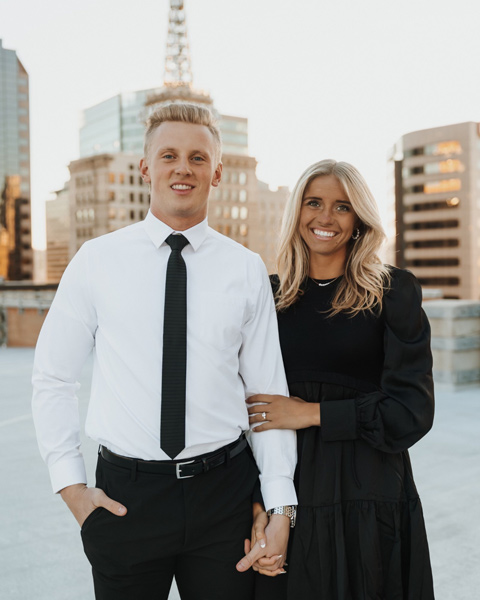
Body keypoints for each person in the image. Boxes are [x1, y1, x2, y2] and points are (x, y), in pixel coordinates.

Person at [32, 102, 297, 600]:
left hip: (225, 496)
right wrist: (72, 490)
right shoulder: (97, 261)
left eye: (198, 158)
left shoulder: (245, 270)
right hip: (126, 500)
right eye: (169, 155)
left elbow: (266, 394)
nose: (184, 168)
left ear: (216, 173)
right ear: (146, 168)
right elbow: (53, 378)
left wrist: (281, 507)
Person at [246, 159, 435, 599]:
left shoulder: (393, 292)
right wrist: (256, 504)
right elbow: (246, 410)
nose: (325, 218)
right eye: (314, 203)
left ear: (359, 220)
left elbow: (412, 414)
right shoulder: (267, 296)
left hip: (369, 492)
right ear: (297, 213)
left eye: (342, 207)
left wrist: (312, 414)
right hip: (290, 491)